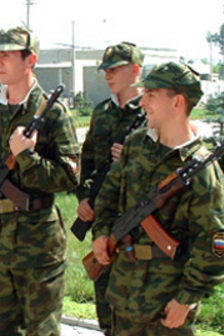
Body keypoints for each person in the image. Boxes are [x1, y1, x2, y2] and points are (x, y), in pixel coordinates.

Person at [0, 27, 80, 335]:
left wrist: (26, 156)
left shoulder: (54, 114)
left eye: (6, 55)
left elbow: (69, 177)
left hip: (39, 248)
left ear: (30, 60)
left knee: (42, 332)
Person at [92, 62, 224, 335]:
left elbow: (216, 242)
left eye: (152, 95)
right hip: (123, 293)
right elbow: (107, 197)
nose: (143, 102)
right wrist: (102, 233)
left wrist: (187, 298)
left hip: (166, 306)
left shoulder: (201, 170)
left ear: (177, 102)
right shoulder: (137, 145)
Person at [74, 42, 145, 336]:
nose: (107, 75)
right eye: (106, 69)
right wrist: (83, 199)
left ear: (136, 70)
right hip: (101, 217)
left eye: (115, 69)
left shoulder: (150, 111)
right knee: (105, 300)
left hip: (138, 221)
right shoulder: (101, 112)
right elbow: (87, 161)